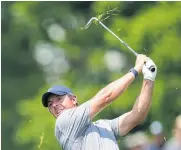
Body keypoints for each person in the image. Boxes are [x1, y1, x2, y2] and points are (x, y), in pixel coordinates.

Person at [41, 54, 157, 150]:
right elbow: (106, 97)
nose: (55, 105)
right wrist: (136, 70)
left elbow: (138, 115)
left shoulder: (104, 126)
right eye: (50, 104)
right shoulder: (64, 121)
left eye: (59, 99)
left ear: (73, 99)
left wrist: (149, 78)